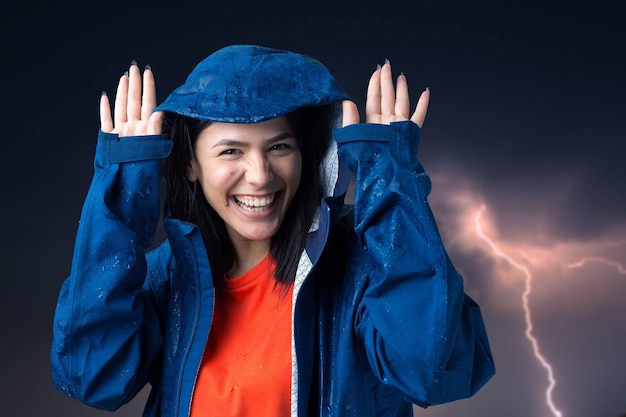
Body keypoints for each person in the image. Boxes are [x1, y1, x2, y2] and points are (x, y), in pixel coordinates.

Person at [50, 44, 495, 417]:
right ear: (190, 165)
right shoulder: (168, 278)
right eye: (230, 151)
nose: (259, 176)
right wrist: (125, 190)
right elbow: (92, 377)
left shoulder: (365, 266)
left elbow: (434, 371)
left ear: (311, 156)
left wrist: (389, 177)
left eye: (279, 146)